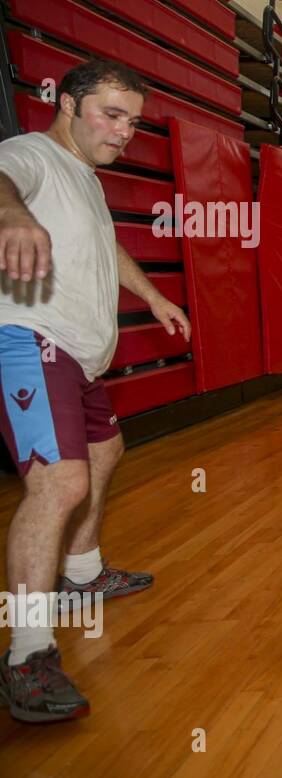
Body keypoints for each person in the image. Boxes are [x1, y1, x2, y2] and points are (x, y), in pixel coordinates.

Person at [0, 58, 190, 723]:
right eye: (111, 114)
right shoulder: (28, 156)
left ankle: (83, 574)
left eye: (133, 121)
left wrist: (155, 295)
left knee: (106, 455)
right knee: (59, 484)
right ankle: (27, 651)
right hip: (26, 339)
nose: (124, 132)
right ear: (65, 102)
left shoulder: (85, 180)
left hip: (77, 357)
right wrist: (11, 218)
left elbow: (110, 251)